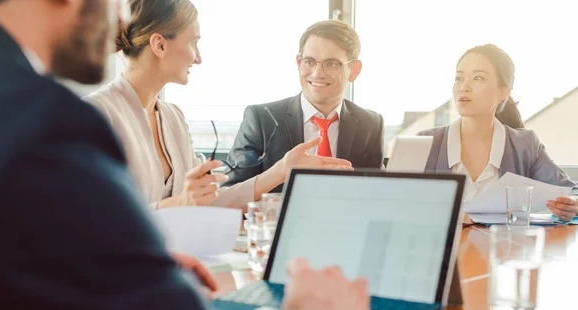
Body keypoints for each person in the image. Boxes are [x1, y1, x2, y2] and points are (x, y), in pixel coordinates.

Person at [0, 0, 372, 310]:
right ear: (160, 45)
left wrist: (147, 262)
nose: (120, 20)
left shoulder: (172, 118)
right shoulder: (63, 123)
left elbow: (66, 253)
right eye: (118, 1)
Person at [84, 0, 352, 211]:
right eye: (193, 42)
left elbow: (208, 202)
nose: (198, 58)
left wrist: (282, 170)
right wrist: (180, 203)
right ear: (159, 44)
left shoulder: (172, 117)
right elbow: (96, 223)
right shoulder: (94, 115)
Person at [420, 44, 577, 221]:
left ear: (503, 92)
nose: (464, 87)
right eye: (458, 78)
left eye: (478, 78)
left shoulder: (526, 145)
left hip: (504, 246)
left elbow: (570, 193)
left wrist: (571, 205)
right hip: (442, 248)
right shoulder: (424, 143)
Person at [224, 20, 384, 192]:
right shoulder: (261, 119)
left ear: (354, 70)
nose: (317, 74)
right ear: (299, 63)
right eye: (309, 61)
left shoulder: (370, 124)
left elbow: (376, 193)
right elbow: (230, 192)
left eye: (331, 64)